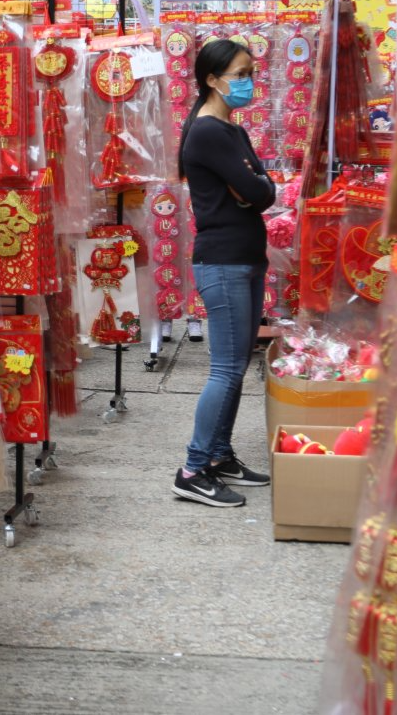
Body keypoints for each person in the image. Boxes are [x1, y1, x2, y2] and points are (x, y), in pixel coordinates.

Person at [172, 38, 277, 507]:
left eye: (250, 71)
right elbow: (260, 191)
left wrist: (256, 185)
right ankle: (193, 468)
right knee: (227, 369)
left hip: (246, 257)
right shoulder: (209, 131)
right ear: (211, 80)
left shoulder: (232, 130)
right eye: (239, 74)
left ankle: (219, 454)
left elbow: (260, 185)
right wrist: (255, 186)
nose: (248, 81)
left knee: (235, 368)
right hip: (224, 261)